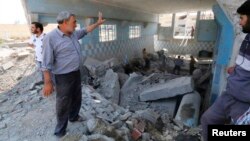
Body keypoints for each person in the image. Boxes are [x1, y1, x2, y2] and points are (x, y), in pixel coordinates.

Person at [41, 11, 105, 137]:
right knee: (63, 102)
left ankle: (73, 117)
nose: (76, 25)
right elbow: (45, 63)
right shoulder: (51, 38)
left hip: (76, 73)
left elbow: (86, 30)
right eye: (74, 22)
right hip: (62, 77)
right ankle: (60, 131)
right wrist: (47, 82)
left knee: (77, 97)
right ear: (65, 23)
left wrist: (97, 23)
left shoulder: (73, 34)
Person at [201, 1, 250, 141]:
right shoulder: (247, 38)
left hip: (244, 104)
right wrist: (236, 68)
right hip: (229, 94)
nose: (240, 23)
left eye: (242, 18)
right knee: (207, 120)